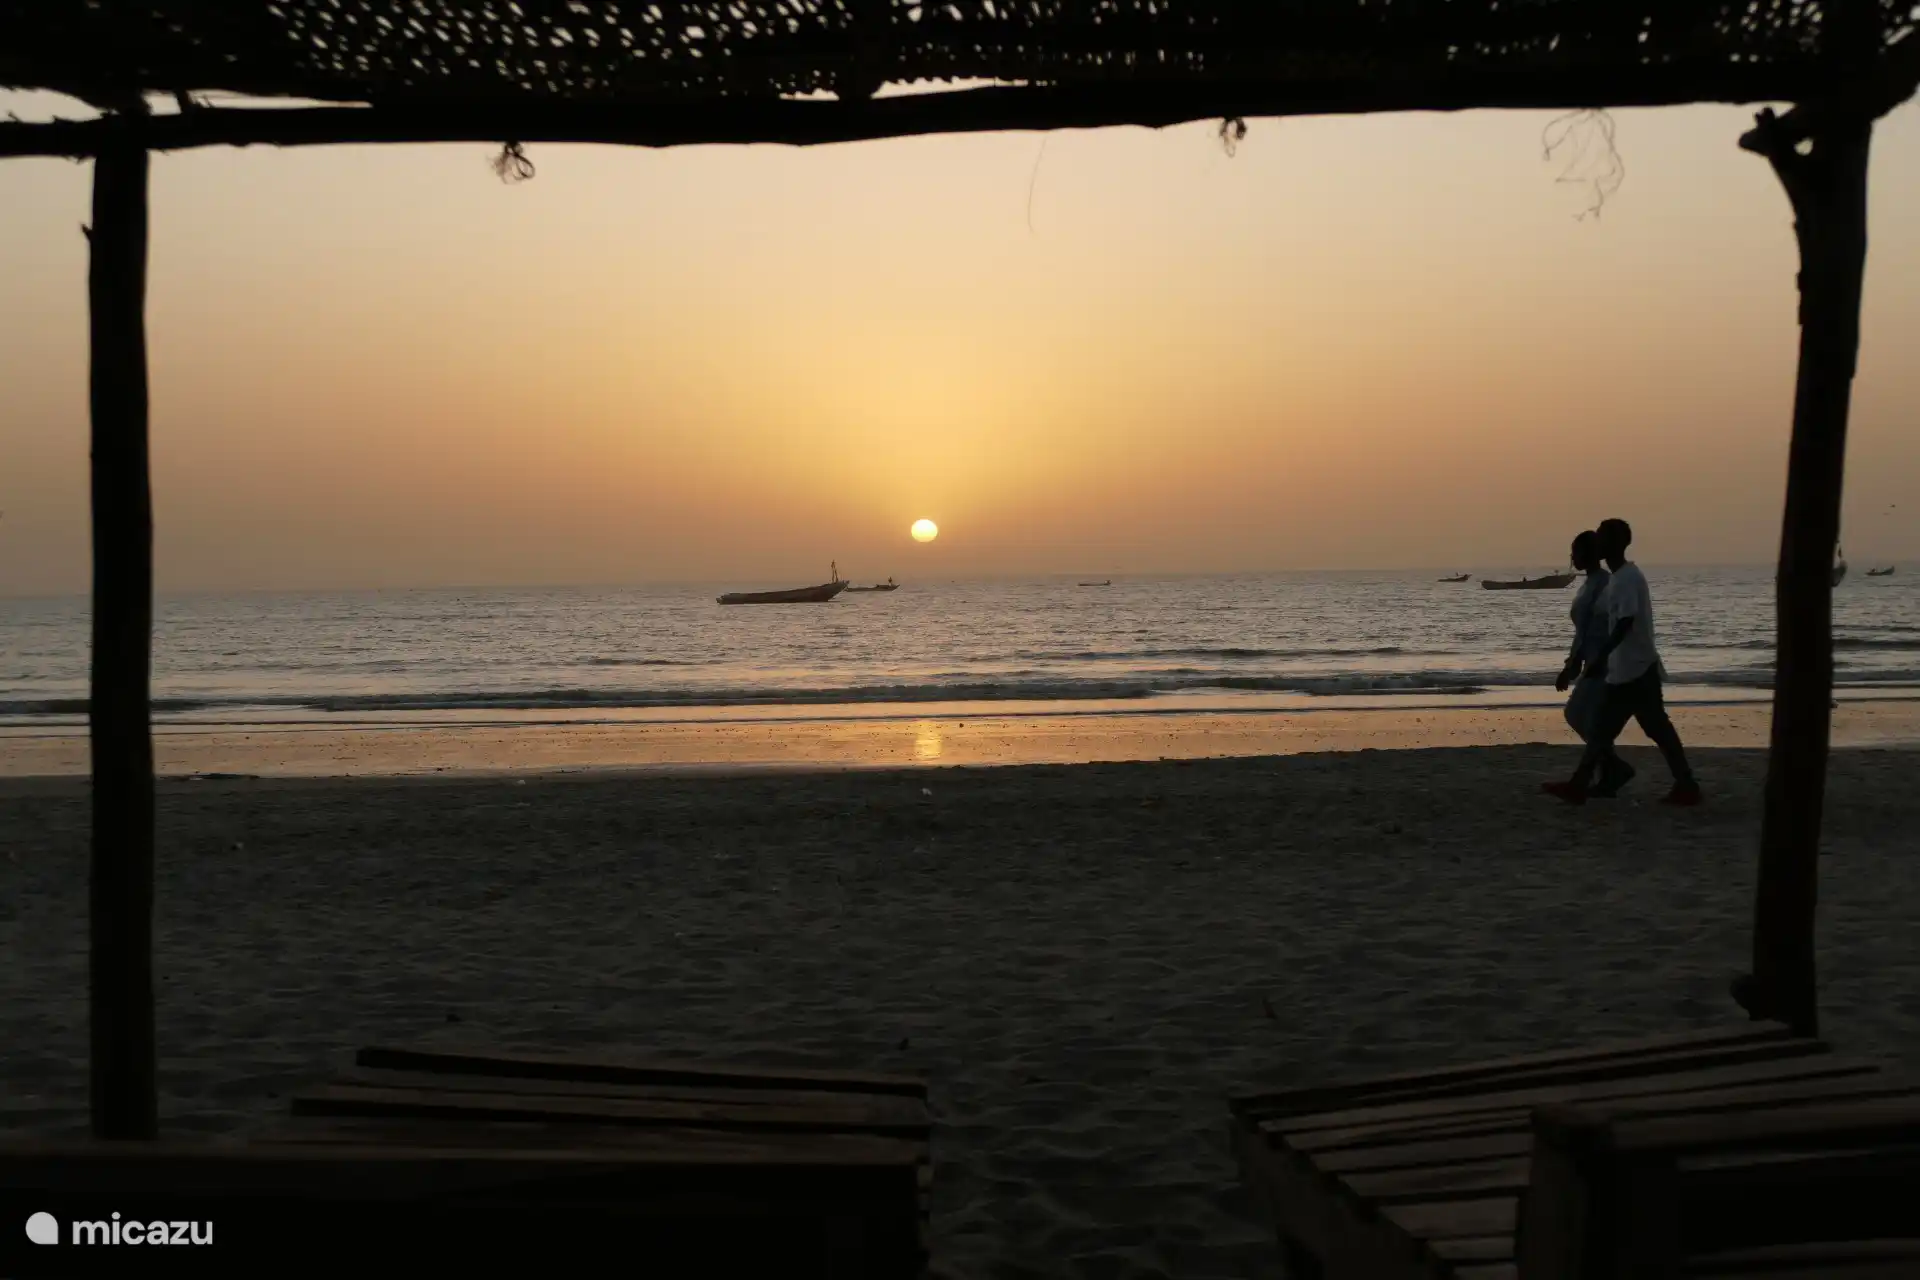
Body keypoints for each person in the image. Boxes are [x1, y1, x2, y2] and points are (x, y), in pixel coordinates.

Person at [1543, 518, 1702, 806]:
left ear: (1614, 543)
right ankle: (1583, 785)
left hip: (1636, 670)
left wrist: (1599, 657)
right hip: (1626, 670)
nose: (1597, 542)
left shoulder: (1628, 578)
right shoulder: (1617, 578)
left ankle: (1686, 785)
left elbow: (1625, 622)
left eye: (1602, 537)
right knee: (1610, 729)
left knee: (1651, 729)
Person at [1556, 531, 1634, 796]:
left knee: (1579, 715)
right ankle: (1610, 771)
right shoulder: (1589, 583)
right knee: (1586, 719)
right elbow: (1581, 631)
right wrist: (1573, 661)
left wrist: (1573, 664)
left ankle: (1610, 769)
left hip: (1605, 662)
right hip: (1593, 659)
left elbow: (1596, 627)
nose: (1572, 557)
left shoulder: (1604, 583)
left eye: (1576, 551)